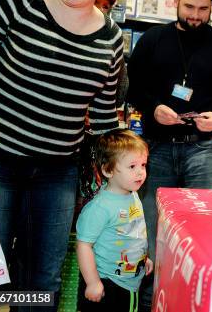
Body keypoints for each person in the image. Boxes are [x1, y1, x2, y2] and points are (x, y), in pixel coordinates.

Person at [0, 0, 120, 311]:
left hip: (57, 173)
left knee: (43, 278)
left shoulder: (110, 38)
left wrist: (119, 169)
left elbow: (104, 115)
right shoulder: (16, 0)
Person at [127, 0, 212, 310]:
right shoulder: (153, 39)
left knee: (209, 232)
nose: (196, 15)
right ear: (175, 1)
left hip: (203, 148)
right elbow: (132, 85)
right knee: (150, 237)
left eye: (204, 9)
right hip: (158, 147)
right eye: (190, 6)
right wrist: (153, 107)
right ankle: (150, 303)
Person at [76, 129, 152, 312]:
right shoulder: (100, 207)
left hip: (129, 281)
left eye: (143, 165)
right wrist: (93, 282)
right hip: (107, 284)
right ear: (108, 170)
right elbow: (83, 245)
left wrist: (143, 258)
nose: (141, 172)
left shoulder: (133, 195)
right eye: (132, 166)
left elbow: (133, 232)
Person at [94, 0, 129, 108]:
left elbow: (120, 94)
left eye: (105, 7)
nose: (99, 10)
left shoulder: (112, 40)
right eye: (95, 2)